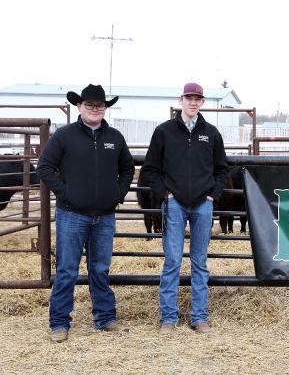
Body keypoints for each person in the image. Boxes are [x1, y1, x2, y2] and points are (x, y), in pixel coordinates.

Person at [37, 84, 134, 343]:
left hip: (105, 215)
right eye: (89, 104)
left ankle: (105, 317)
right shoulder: (64, 136)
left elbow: (127, 168)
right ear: (79, 106)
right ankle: (59, 322)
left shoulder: (115, 137)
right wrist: (66, 193)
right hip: (72, 214)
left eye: (99, 105)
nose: (94, 109)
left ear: (105, 108)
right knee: (67, 269)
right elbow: (44, 167)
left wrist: (118, 194)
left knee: (100, 268)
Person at [140, 82, 228, 334]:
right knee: (172, 260)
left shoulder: (211, 133)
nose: (193, 102)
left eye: (197, 99)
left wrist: (212, 195)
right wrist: (165, 194)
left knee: (199, 261)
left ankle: (199, 317)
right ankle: (168, 317)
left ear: (202, 102)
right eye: (189, 98)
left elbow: (222, 169)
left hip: (203, 204)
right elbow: (150, 169)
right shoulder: (164, 131)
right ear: (181, 100)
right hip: (175, 203)